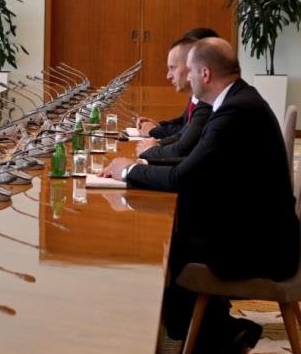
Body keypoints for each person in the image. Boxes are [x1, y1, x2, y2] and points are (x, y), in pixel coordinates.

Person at [103, 38, 299, 351]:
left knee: (171, 250)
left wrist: (129, 172)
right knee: (178, 235)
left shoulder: (235, 111)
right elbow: (193, 164)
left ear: (205, 73)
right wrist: (139, 166)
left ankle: (215, 338)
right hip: (262, 230)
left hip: (266, 247)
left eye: (190, 71)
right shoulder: (236, 101)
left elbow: (184, 176)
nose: (187, 78)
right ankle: (223, 331)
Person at [134, 36, 212, 162]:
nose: (168, 76)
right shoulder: (198, 99)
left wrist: (152, 144)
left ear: (191, 67)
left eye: (172, 68)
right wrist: (157, 138)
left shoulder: (207, 103)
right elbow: (182, 130)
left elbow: (183, 148)